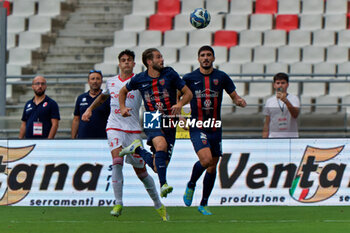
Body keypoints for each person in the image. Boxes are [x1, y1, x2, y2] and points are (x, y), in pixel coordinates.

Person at [81, 50, 168, 221]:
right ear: (119, 64)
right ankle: (118, 202)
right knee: (117, 160)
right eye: (123, 60)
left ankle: (158, 204)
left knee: (142, 173)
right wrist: (89, 109)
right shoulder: (112, 82)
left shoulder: (141, 81)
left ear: (134, 64)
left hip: (134, 130)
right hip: (114, 126)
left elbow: (151, 104)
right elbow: (102, 97)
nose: (126, 62)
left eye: (129, 60)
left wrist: (156, 127)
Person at [119, 48, 193, 198]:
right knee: (161, 145)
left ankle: (138, 150)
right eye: (158, 57)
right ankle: (163, 184)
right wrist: (122, 107)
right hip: (152, 117)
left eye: (161, 57)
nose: (162, 60)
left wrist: (179, 106)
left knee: (159, 167)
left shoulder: (170, 74)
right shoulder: (140, 78)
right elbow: (122, 91)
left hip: (170, 120)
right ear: (149, 62)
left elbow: (188, 93)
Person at [181, 45, 246, 215]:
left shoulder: (221, 77)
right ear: (198, 59)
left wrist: (239, 101)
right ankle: (191, 184)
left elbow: (234, 96)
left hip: (215, 127)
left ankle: (203, 203)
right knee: (206, 159)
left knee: (212, 167)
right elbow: (176, 95)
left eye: (209, 55)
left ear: (214, 58)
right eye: (202, 55)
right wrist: (180, 115)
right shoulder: (189, 78)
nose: (206, 58)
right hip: (197, 126)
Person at [71, 70, 110, 139]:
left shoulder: (107, 98)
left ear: (101, 81)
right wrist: (73, 138)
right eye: (93, 79)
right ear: (88, 81)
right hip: (83, 138)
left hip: (102, 138)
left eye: (98, 79)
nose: (95, 81)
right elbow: (76, 119)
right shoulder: (81, 98)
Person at [262, 72, 300, 138]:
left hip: (291, 137)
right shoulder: (269, 101)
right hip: (273, 137)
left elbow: (295, 114)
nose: (280, 85)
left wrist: (286, 101)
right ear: (274, 85)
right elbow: (267, 122)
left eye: (283, 83)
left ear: (287, 84)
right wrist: (264, 139)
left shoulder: (294, 98)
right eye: (278, 83)